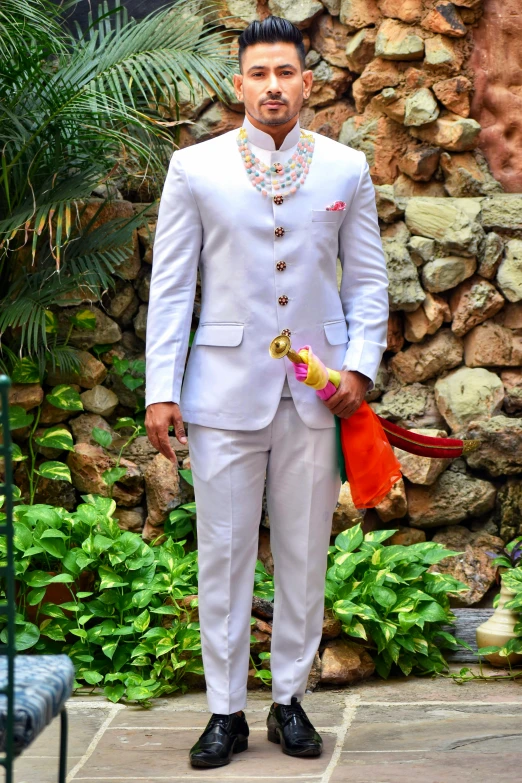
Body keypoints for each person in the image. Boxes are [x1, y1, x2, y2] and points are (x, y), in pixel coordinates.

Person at [145, 15, 389, 769]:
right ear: (239, 82)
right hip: (221, 391)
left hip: (315, 397)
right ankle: (224, 710)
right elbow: (172, 286)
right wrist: (162, 388)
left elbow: (372, 281)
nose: (273, 86)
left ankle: (288, 699)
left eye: (286, 73)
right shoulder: (196, 169)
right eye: (259, 74)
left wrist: (359, 365)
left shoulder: (345, 169)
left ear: (307, 82)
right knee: (221, 553)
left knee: (303, 552)